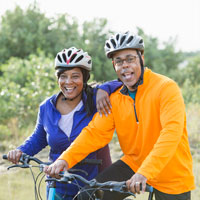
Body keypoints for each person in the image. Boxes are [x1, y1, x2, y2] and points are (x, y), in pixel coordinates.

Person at [44, 32, 195, 200]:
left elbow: (171, 134)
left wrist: (145, 172)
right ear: (114, 65)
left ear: (141, 58)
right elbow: (94, 133)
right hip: (133, 163)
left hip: (171, 172)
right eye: (119, 61)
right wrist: (64, 160)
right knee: (88, 195)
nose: (125, 66)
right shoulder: (115, 98)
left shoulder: (166, 88)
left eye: (130, 59)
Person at [7, 47, 122, 199]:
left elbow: (125, 82)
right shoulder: (47, 107)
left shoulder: (96, 100)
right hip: (57, 182)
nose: (68, 82)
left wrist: (104, 89)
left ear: (85, 78)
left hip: (92, 183)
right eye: (63, 76)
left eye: (75, 76)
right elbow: (38, 138)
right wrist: (20, 151)